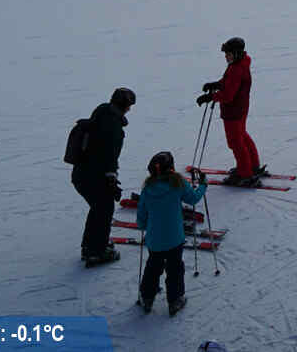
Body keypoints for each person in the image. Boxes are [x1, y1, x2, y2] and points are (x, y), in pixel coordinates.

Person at [135, 152, 209, 315]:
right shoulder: (177, 183)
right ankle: (174, 300)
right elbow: (193, 198)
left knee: (153, 267)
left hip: (154, 239)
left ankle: (147, 296)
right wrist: (203, 185)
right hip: (175, 238)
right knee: (175, 268)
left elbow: (141, 213)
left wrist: (143, 225)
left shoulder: (148, 188)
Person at [71, 87, 134, 266]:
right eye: (129, 105)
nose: (130, 109)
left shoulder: (101, 113)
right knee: (104, 210)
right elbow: (109, 156)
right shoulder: (113, 127)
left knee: (99, 209)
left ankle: (91, 246)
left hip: (81, 173)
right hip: (93, 176)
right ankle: (96, 252)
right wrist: (111, 178)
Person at [196, 37, 262, 184]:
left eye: (228, 54)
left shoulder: (237, 69)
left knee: (236, 142)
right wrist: (216, 84)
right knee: (242, 136)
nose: (226, 56)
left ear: (237, 53)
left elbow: (228, 95)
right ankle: (252, 165)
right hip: (240, 108)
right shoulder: (239, 65)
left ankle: (245, 174)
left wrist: (210, 97)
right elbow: (228, 82)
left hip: (233, 111)